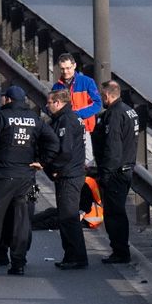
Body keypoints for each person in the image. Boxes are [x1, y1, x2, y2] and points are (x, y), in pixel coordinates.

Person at [0, 86, 45, 275]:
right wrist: (42, 160)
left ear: (7, 100)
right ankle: (18, 263)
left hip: (3, 176)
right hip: (25, 177)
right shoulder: (34, 118)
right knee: (20, 221)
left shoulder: (0, 116)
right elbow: (52, 141)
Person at [39, 87, 91, 270]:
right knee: (65, 217)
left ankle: (77, 257)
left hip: (69, 175)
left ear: (58, 103)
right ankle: (71, 255)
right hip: (70, 173)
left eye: (49, 102)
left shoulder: (66, 121)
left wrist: (54, 169)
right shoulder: (66, 118)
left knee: (69, 217)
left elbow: (65, 150)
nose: (47, 106)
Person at [95, 80, 139, 265]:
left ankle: (120, 252)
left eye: (101, 95)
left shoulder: (114, 115)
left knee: (114, 214)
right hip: (126, 168)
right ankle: (121, 250)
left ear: (107, 95)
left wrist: (104, 175)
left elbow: (113, 148)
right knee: (117, 213)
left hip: (116, 173)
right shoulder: (129, 110)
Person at [53, 53, 102, 136]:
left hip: (85, 128)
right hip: (65, 128)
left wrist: (77, 114)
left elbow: (97, 104)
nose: (65, 72)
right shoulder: (56, 86)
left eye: (68, 68)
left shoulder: (87, 82)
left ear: (74, 65)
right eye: (62, 69)